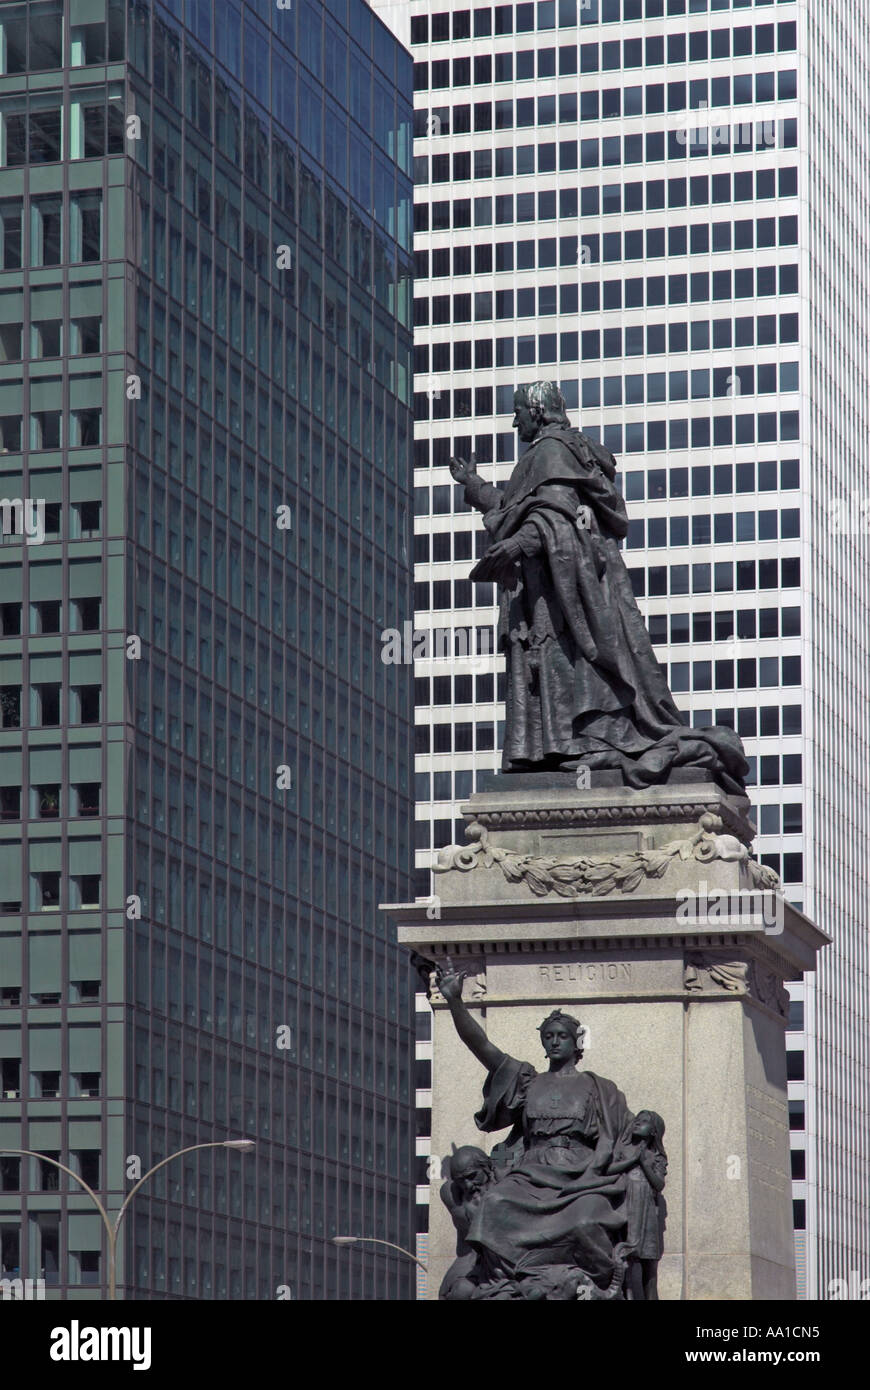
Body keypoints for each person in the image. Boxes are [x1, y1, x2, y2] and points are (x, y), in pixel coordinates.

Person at [449, 382, 748, 792]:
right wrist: (476, 488)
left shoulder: (551, 451)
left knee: (565, 669)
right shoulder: (563, 452)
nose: (514, 419)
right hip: (555, 588)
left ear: (536, 412)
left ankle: (572, 748)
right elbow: (527, 510)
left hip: (557, 602)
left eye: (518, 411)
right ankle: (564, 749)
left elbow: (555, 516)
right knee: (562, 672)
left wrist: (518, 544)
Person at [435, 967, 633, 1299]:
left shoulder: (599, 1087)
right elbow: (482, 1046)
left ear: (576, 1042)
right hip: (531, 1171)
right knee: (494, 1203)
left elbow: (616, 1140)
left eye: (562, 1036)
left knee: (585, 1220)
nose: (555, 1041)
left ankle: (603, 1284)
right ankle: (508, 1284)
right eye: (549, 1036)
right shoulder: (529, 1081)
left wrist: (596, 1170)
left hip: (584, 1173)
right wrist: (455, 1001)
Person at [608, 1110, 668, 1300]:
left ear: (654, 1132)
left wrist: (643, 1163)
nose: (637, 1123)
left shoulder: (655, 1156)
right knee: (623, 1263)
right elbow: (608, 1169)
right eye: (637, 1120)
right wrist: (632, 1160)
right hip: (624, 1205)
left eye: (643, 1122)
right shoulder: (623, 1150)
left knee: (649, 1269)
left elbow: (659, 1184)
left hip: (647, 1211)